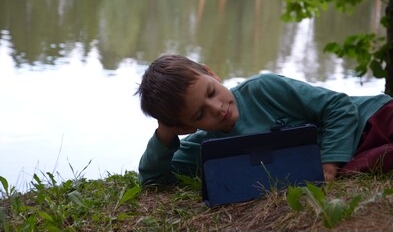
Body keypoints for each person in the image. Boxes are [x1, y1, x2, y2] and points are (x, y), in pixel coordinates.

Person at [135, 54, 393, 185]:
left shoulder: (263, 89)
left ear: (211, 74)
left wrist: (327, 168)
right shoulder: (204, 148)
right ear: (186, 127)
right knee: (377, 162)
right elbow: (153, 179)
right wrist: (165, 134)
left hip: (371, 119)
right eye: (199, 114)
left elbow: (340, 107)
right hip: (353, 157)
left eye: (211, 92)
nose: (216, 108)